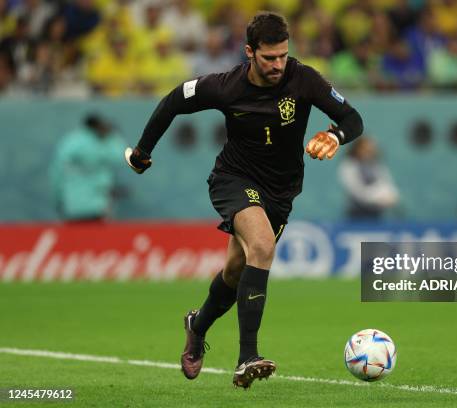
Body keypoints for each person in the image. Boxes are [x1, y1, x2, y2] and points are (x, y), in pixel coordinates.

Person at [124, 11, 363, 389]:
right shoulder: (225, 86)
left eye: (283, 55)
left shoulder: (304, 79)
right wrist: (142, 151)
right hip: (234, 179)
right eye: (269, 58)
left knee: (237, 272)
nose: (278, 65)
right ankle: (246, 357)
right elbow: (174, 100)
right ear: (250, 52)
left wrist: (335, 136)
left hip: (281, 191)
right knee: (263, 245)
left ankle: (197, 325)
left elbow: (352, 118)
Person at [50, 113, 125, 221]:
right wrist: (112, 135)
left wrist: (58, 199)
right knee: (97, 237)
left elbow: (57, 174)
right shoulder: (103, 143)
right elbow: (121, 156)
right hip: (98, 205)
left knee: (75, 237)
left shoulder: (70, 142)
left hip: (72, 205)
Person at [338, 137, 399, 220]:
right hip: (356, 214)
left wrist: (391, 197)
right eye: (365, 149)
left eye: (370, 149)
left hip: (376, 214)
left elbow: (388, 185)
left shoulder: (377, 165)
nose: (368, 152)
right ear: (357, 149)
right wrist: (379, 198)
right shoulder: (348, 166)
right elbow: (357, 192)